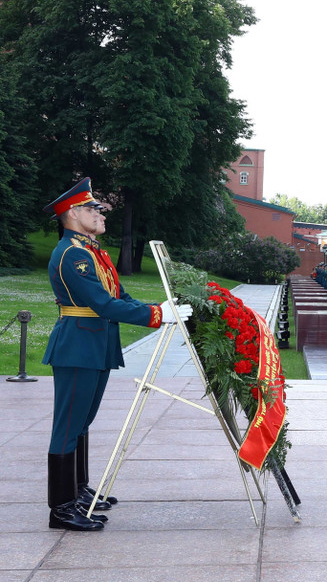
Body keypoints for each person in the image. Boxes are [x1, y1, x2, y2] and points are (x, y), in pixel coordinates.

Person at [41, 178, 189, 531]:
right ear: (73, 213)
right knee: (67, 426)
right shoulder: (72, 254)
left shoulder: (92, 251)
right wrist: (157, 316)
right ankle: (61, 508)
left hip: (95, 344)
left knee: (82, 422)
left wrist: (159, 308)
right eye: (94, 208)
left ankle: (76, 491)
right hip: (78, 346)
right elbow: (103, 304)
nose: (101, 213)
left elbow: (120, 297)